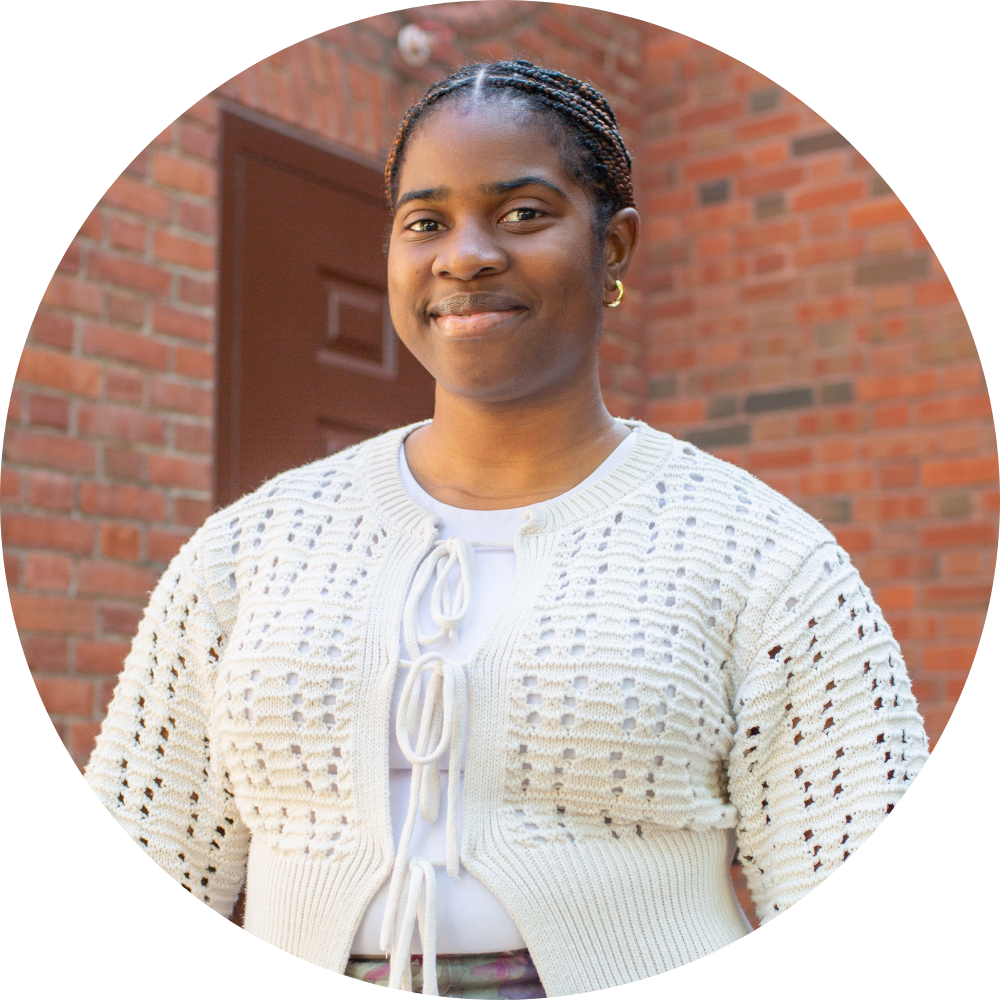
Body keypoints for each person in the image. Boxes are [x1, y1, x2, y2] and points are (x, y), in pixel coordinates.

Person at [83, 60, 929, 997]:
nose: (465, 255)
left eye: (523, 213)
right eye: (425, 222)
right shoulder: (247, 551)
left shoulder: (763, 559)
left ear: (615, 249)